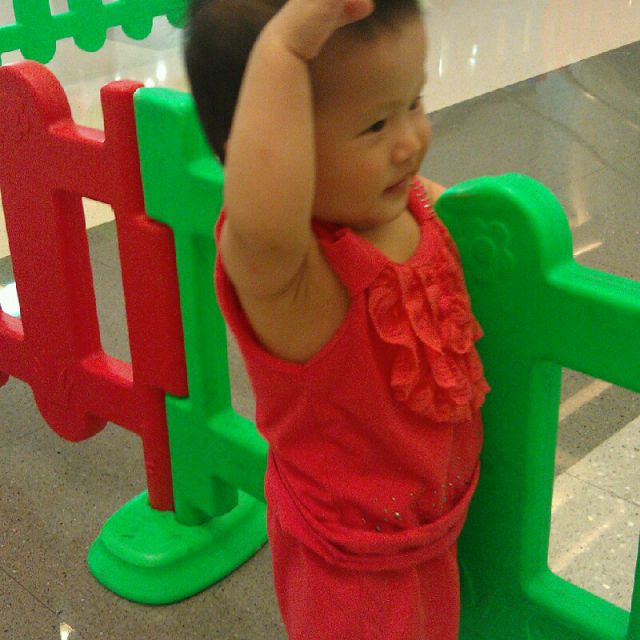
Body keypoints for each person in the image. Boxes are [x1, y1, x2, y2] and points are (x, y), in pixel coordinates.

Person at [185, 1, 490, 637]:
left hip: (434, 532)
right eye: (375, 124)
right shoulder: (293, 279)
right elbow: (265, 210)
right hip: (353, 575)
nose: (410, 141)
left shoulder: (406, 204)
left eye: (414, 102)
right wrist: (283, 49)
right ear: (272, 147)